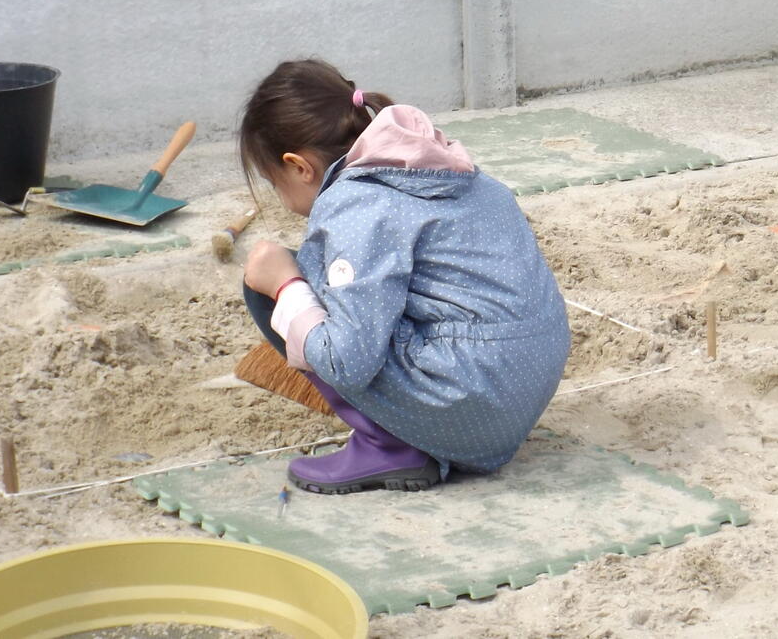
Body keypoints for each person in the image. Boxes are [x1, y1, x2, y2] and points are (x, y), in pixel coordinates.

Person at [237, 59, 570, 494]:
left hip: (467, 405)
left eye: (273, 182)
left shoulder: (354, 204)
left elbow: (347, 362)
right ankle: (409, 431)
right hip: (524, 386)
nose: (280, 198)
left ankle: (391, 447)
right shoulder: (445, 165)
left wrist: (286, 285)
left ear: (299, 167)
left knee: (273, 279)